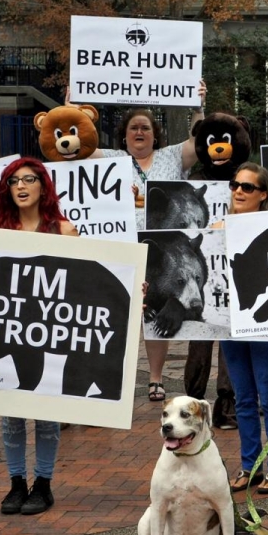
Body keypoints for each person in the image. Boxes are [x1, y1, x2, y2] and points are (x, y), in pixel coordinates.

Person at [0, 157, 78, 515]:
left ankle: (43, 484)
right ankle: (15, 483)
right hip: (9, 332)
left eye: (29, 179)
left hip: (50, 333)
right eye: (13, 181)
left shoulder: (64, 230)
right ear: (7, 190)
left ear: (43, 186)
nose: (21, 187)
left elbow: (83, 283)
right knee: (10, 415)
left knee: (45, 413)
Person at [106, 107, 200, 401]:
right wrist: (71, 109)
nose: (139, 132)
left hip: (162, 253)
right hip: (120, 246)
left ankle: (156, 379)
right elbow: (72, 150)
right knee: (115, 314)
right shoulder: (111, 160)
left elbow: (198, 142)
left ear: (154, 134)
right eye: (133, 127)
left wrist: (197, 108)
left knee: (155, 313)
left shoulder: (171, 156)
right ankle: (108, 378)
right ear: (124, 134)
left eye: (145, 127)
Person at [219, 163, 268, 495]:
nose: (238, 191)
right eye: (236, 184)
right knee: (243, 398)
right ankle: (250, 465)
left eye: (248, 187)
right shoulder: (217, 227)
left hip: (267, 326)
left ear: (263, 195)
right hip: (230, 324)